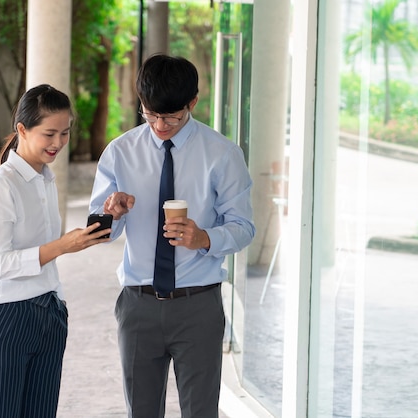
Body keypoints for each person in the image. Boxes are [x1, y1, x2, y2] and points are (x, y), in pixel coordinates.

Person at [89, 54, 256, 418]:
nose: (160, 125)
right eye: (150, 114)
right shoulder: (120, 152)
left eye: (171, 116)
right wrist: (110, 213)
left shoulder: (223, 154)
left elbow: (244, 227)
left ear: (192, 103)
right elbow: (98, 231)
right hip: (138, 304)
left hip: (198, 306)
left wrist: (204, 239)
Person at [0, 84, 110, 418]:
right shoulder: (0, 186)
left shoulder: (45, 179)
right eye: (49, 134)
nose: (58, 143)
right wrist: (61, 247)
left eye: (66, 133)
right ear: (23, 130)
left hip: (48, 315)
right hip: (3, 319)